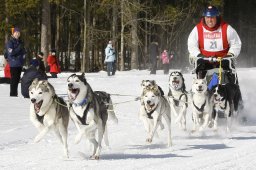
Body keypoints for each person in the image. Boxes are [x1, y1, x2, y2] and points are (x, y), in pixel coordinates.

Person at [187, 5, 242, 80]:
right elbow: (191, 45)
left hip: (222, 60)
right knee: (200, 69)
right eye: (207, 17)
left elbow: (236, 43)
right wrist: (198, 54)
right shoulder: (197, 29)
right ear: (204, 17)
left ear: (217, 17)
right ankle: (202, 87)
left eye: (212, 17)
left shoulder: (226, 28)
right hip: (204, 60)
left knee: (228, 78)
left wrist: (231, 54)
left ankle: (229, 88)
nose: (210, 20)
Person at [6, 27, 26, 96]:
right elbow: (11, 53)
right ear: (13, 33)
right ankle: (13, 94)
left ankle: (15, 94)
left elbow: (23, 51)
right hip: (13, 64)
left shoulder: (20, 42)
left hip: (19, 63)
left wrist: (23, 57)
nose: (17, 34)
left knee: (17, 80)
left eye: (18, 33)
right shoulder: (10, 42)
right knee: (14, 80)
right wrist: (19, 48)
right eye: (16, 33)